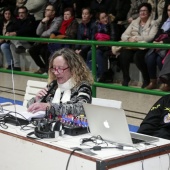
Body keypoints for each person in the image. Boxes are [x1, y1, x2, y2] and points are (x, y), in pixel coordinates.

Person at [27, 48, 93, 116]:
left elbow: (81, 108)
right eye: (54, 68)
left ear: (73, 68)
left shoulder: (83, 86)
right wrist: (37, 99)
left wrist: (50, 107)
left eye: (60, 68)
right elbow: (29, 106)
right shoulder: (53, 85)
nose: (56, 73)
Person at [118, 2, 158, 87]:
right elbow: (123, 35)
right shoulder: (134, 22)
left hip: (145, 47)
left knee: (138, 57)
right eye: (140, 11)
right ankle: (126, 78)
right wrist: (129, 38)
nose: (142, 12)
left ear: (149, 12)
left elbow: (151, 37)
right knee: (123, 55)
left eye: (145, 11)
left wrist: (136, 39)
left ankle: (146, 79)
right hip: (133, 46)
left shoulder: (154, 23)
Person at [28, 4, 62, 74]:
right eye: (46, 10)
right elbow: (38, 32)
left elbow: (51, 31)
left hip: (53, 42)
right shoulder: (45, 19)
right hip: (43, 42)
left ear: (53, 12)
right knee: (32, 50)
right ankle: (43, 67)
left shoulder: (58, 19)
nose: (46, 11)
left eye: (48, 10)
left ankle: (48, 70)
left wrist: (42, 35)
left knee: (44, 51)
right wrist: (42, 22)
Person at [145, 2, 170, 90]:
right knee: (150, 57)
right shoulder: (165, 22)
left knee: (160, 59)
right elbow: (158, 34)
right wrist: (155, 41)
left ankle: (167, 83)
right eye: (168, 10)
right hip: (159, 46)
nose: (169, 12)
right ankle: (153, 81)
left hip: (167, 46)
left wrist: (163, 42)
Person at [86, 10, 116, 83]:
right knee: (90, 53)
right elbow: (93, 39)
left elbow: (113, 39)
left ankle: (100, 75)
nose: (105, 19)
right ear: (99, 20)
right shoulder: (96, 26)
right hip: (98, 47)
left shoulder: (112, 25)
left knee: (97, 53)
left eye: (105, 17)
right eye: (102, 18)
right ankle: (90, 74)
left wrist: (99, 45)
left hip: (108, 47)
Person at [7, 6, 36, 71]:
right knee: (11, 45)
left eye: (23, 12)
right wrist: (8, 32)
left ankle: (19, 46)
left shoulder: (31, 20)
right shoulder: (17, 21)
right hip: (20, 42)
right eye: (19, 13)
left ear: (26, 13)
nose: (21, 14)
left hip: (29, 42)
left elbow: (27, 30)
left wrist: (16, 33)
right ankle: (17, 66)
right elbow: (12, 28)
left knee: (13, 39)